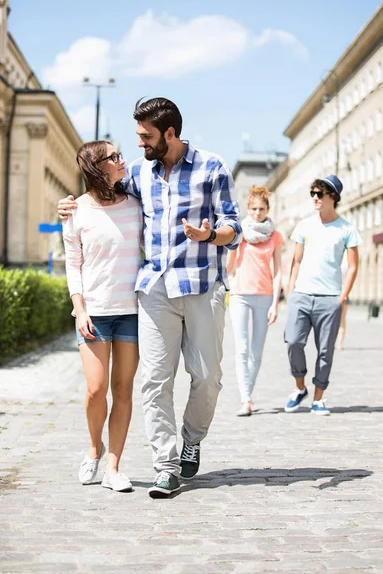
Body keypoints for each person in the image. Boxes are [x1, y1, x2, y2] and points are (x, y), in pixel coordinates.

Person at [58, 98, 241, 498]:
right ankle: (166, 464)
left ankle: (192, 438)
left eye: (145, 136)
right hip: (154, 289)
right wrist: (68, 205)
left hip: (202, 283)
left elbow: (234, 227)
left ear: (169, 134)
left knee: (208, 377)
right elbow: (99, 189)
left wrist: (209, 234)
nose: (139, 144)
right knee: (155, 381)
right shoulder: (139, 174)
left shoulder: (212, 167)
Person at [62, 141, 142, 492]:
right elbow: (72, 263)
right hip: (93, 312)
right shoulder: (75, 211)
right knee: (96, 390)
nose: (121, 160)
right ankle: (95, 447)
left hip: (132, 312)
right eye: (114, 157)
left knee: (122, 389)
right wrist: (79, 309)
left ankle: (113, 468)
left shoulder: (137, 207)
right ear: (97, 167)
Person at [284, 175, 360, 416]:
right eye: (313, 194)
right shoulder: (304, 225)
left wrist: (342, 296)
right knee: (294, 341)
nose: (315, 198)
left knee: (325, 350)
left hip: (330, 298)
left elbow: (354, 266)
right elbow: (296, 260)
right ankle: (299, 387)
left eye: (320, 194)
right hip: (302, 295)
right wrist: (291, 290)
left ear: (333, 197)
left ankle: (318, 398)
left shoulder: (346, 229)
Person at [227, 186, 284, 416]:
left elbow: (278, 271)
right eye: (253, 209)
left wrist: (275, 303)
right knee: (241, 349)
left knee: (256, 351)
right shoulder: (239, 232)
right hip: (240, 294)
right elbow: (230, 265)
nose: (257, 212)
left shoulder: (275, 236)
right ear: (247, 209)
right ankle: (246, 399)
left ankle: (248, 394)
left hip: (264, 296)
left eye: (261, 208)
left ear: (267, 209)